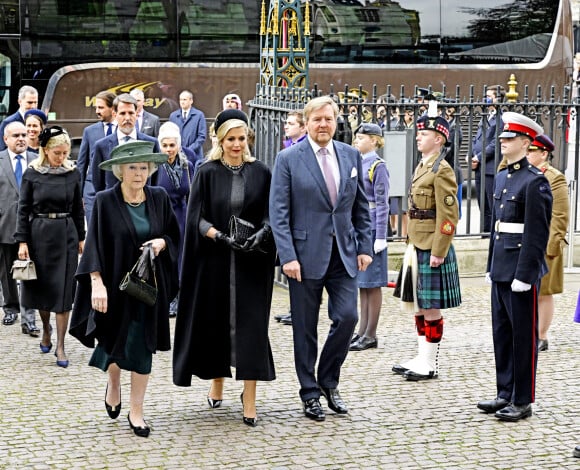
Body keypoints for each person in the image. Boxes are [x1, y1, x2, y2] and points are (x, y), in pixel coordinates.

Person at [269, 95, 372, 422]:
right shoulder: (288, 158)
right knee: (305, 328)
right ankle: (309, 392)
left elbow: (362, 207)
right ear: (307, 123)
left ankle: (329, 380)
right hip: (303, 257)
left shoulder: (351, 154)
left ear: (335, 120)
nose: (324, 125)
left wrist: (365, 246)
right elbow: (279, 213)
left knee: (347, 318)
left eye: (329, 119)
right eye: (317, 120)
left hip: (344, 255)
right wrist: (288, 256)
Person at [69, 141, 180, 438]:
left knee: (143, 347)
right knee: (115, 343)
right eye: (132, 167)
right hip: (115, 288)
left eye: (144, 167)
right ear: (120, 171)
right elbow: (94, 245)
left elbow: (174, 234)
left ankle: (137, 412)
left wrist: (162, 243)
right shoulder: (106, 201)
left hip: (147, 288)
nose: (139, 173)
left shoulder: (159, 198)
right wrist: (96, 283)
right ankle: (114, 384)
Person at [173, 109, 276, 427]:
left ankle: (250, 397)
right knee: (215, 323)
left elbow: (272, 213)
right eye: (231, 139)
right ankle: (216, 382)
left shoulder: (261, 171)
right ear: (220, 139)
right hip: (214, 261)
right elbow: (195, 216)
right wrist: (217, 235)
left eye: (242, 138)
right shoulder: (207, 172)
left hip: (251, 261)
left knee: (251, 328)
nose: (237, 144)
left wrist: (262, 232)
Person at [477, 112, 552, 422]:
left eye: (509, 139)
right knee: (502, 333)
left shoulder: (536, 182)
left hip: (520, 270)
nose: (503, 142)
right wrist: (491, 266)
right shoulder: (506, 176)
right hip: (501, 268)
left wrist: (525, 274)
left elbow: (537, 233)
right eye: (503, 138)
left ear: (525, 142)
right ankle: (504, 391)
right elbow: (497, 227)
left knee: (523, 337)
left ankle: (523, 399)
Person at [392, 113, 461, 381]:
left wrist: (439, 251)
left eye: (424, 133)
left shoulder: (442, 170)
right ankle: (421, 356)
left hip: (431, 245)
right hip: (416, 242)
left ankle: (430, 362)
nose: (418, 136)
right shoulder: (424, 165)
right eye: (418, 133)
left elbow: (448, 215)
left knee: (431, 307)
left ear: (439, 138)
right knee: (418, 304)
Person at [14, 126, 85, 367]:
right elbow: (23, 209)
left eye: (65, 153)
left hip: (66, 233)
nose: (62, 157)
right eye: (57, 153)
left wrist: (82, 238)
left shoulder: (72, 173)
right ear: (45, 150)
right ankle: (46, 328)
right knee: (44, 290)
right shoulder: (32, 174)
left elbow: (78, 207)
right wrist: (22, 241)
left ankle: (62, 346)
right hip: (40, 235)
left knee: (64, 292)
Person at [522, 134, 568, 351]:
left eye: (531, 151)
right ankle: (526, 331)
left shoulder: (554, 177)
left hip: (545, 242)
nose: (527, 154)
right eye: (527, 150)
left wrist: (550, 247)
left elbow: (559, 215)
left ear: (544, 154)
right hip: (523, 241)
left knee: (544, 292)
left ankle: (542, 335)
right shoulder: (522, 173)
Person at [350, 123, 389, 351]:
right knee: (363, 283)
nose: (357, 140)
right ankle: (362, 330)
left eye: (362, 137)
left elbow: (382, 203)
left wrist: (381, 236)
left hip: (373, 228)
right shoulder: (358, 162)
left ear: (374, 140)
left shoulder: (377, 165)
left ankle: (371, 333)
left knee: (373, 284)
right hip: (361, 227)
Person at [0, 122, 39, 334]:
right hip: (4, 223)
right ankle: (10, 308)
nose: (21, 138)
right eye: (16, 135)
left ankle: (29, 316)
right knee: (6, 270)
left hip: (33, 226)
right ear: (6, 139)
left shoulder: (36, 160)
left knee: (29, 270)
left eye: (24, 134)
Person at [156, 122, 194, 317]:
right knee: (166, 258)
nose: (169, 150)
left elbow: (194, 193)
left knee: (181, 258)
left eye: (172, 145)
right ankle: (166, 296)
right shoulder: (154, 166)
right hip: (162, 217)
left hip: (182, 216)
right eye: (165, 145)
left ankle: (179, 297)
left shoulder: (188, 165)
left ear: (178, 145)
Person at [275, 109, 308, 326]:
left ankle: (299, 310)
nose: (286, 126)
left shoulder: (303, 150)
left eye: (290, 123)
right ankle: (292, 308)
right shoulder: (289, 149)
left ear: (303, 127)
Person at [91, 93, 160, 193]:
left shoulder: (151, 144)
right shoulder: (101, 146)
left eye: (131, 113)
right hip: (113, 206)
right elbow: (98, 183)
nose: (127, 118)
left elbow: (155, 181)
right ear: (114, 114)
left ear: (136, 114)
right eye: (123, 113)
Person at [76, 90, 116, 226]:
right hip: (91, 191)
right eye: (96, 108)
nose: (97, 111)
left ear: (112, 108)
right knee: (94, 229)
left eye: (101, 107)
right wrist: (79, 194)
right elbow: (82, 164)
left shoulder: (122, 131)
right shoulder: (89, 131)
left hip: (115, 189)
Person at [471, 85, 505, 233]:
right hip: (480, 167)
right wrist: (471, 155)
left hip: (490, 168)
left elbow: (495, 144)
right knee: (482, 204)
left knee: (491, 205)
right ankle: (484, 233)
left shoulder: (501, 118)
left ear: (497, 98)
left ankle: (491, 234)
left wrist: (478, 157)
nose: (486, 98)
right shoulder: (486, 115)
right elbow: (476, 139)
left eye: (489, 96)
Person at [168, 90, 207, 165]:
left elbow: (201, 137)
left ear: (191, 101)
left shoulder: (199, 115)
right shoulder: (173, 116)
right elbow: (170, 136)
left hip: (194, 155)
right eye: (180, 100)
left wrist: (189, 150)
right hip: (177, 155)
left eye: (184, 99)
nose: (182, 102)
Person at [0, 86, 38, 151]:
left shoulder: (39, 122)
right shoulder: (8, 122)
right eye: (30, 103)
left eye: (35, 102)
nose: (33, 106)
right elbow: (2, 150)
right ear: (19, 101)